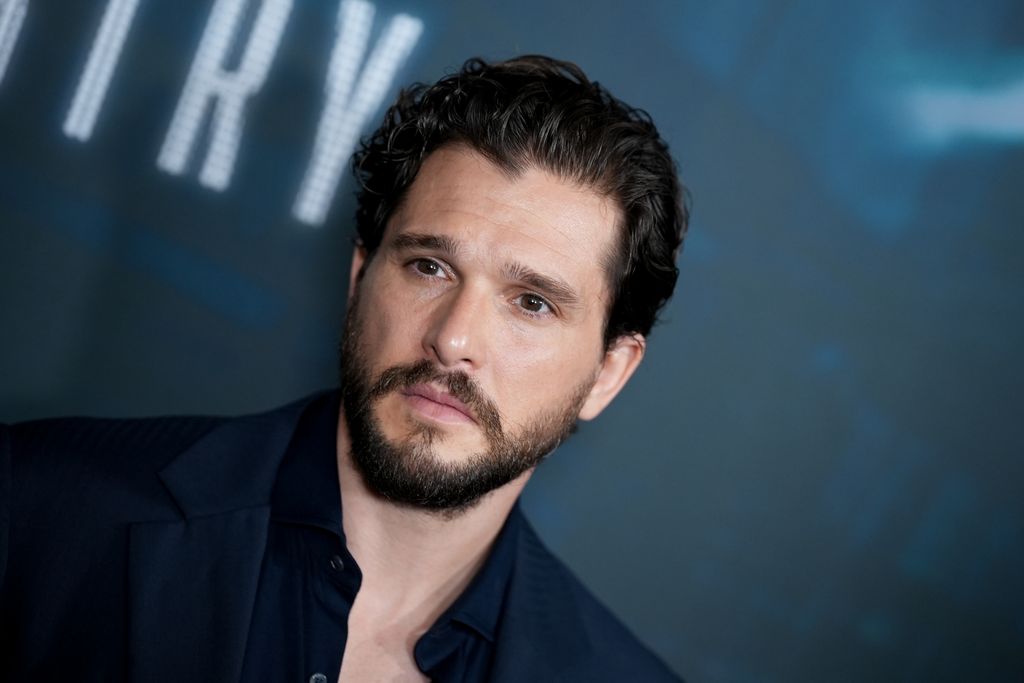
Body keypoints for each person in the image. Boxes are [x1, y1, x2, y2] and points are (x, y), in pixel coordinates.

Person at [0, 55, 688, 681]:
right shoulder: (35, 506)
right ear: (361, 276)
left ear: (607, 373)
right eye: (429, 266)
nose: (453, 340)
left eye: (531, 302)